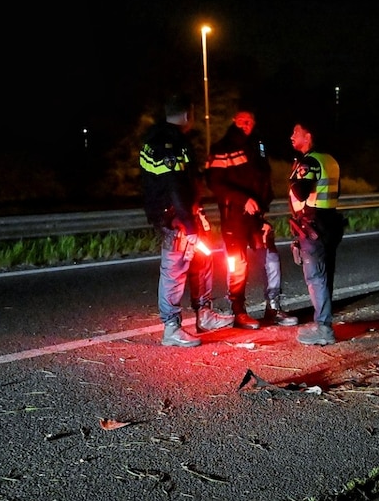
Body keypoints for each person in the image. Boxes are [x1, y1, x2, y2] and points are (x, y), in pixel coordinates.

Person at [139, 93, 234, 347]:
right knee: (175, 268)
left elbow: (186, 183)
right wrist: (187, 223)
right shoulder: (166, 143)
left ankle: (204, 315)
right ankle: (171, 328)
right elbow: (173, 185)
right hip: (175, 218)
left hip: (186, 212)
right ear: (187, 114)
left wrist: (196, 213)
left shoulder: (170, 140)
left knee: (203, 259)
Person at [206, 110, 299, 329]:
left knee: (271, 258)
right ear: (233, 120)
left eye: (250, 121)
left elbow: (264, 180)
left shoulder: (258, 146)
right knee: (238, 265)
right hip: (234, 217)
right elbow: (215, 184)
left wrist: (263, 211)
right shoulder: (222, 148)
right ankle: (239, 312)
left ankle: (273, 307)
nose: (246, 124)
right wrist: (242, 200)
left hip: (257, 216)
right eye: (242, 120)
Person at [287, 120, 345, 345]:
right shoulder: (329, 160)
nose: (291, 136)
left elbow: (301, 193)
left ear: (308, 136)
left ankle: (323, 327)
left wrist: (293, 178)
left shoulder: (309, 161)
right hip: (330, 221)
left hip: (313, 223)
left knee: (315, 276)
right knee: (325, 273)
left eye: (295, 132)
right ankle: (324, 320)